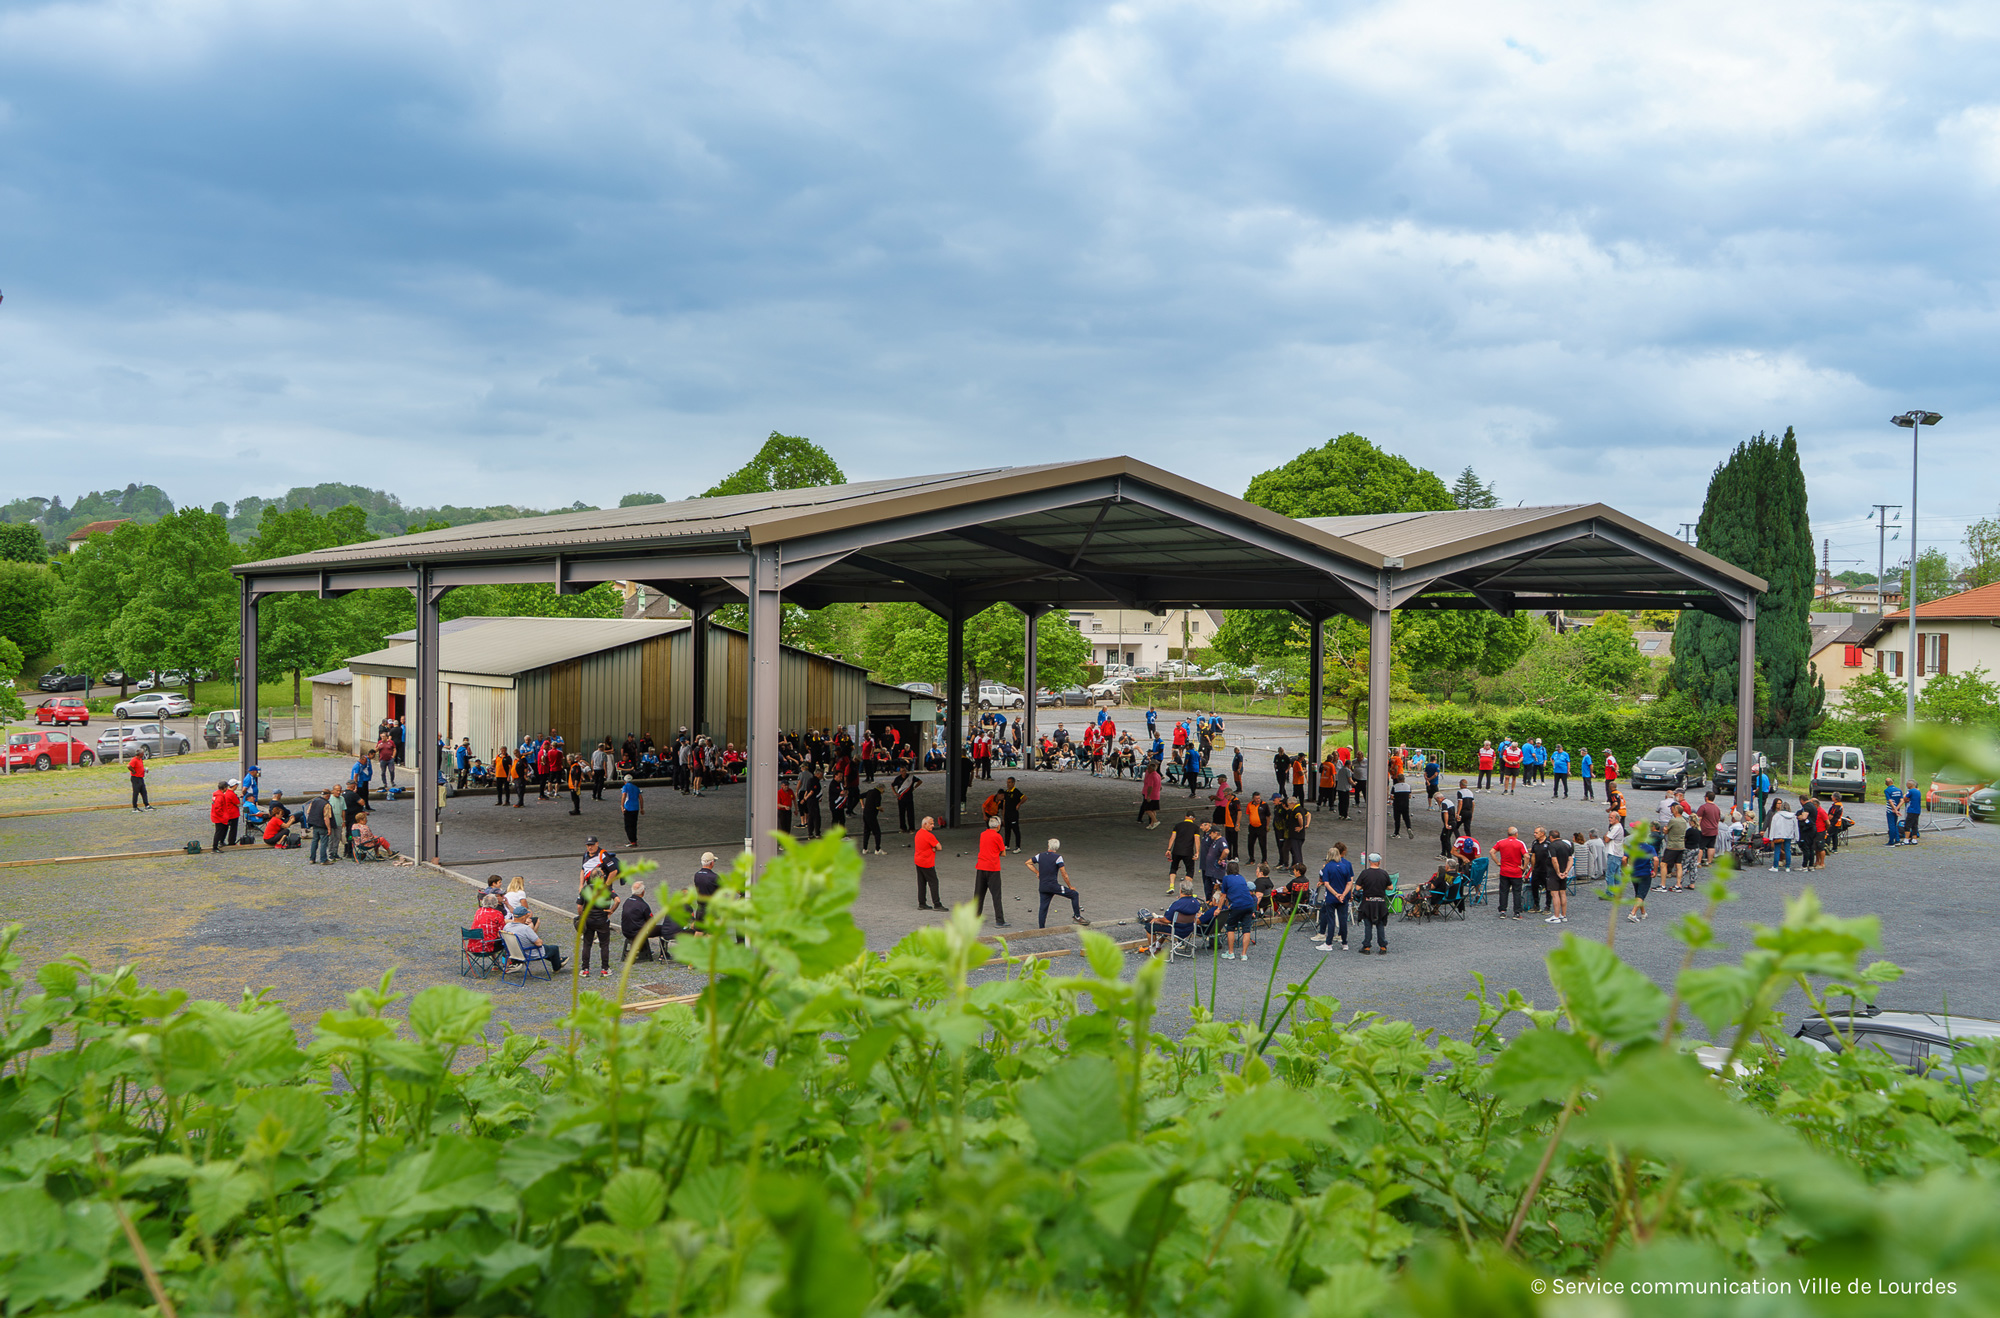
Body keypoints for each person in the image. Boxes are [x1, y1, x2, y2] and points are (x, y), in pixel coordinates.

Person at [1028, 839, 1089, 928]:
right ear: (1057, 847)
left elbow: (1028, 863)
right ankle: (1077, 916)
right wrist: (1070, 886)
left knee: (1043, 908)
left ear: (1048, 846)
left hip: (1043, 886)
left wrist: (1038, 872)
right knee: (1074, 894)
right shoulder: (1058, 857)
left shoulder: (1040, 856)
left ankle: (1041, 929)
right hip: (1053, 886)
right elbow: (1064, 874)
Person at [1213, 861, 1259, 961]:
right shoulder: (1241, 878)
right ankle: (1244, 954)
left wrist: (1219, 908)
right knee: (1246, 929)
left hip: (1237, 905)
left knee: (1231, 928)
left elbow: (1223, 895)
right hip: (1249, 904)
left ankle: (1231, 952)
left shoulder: (1226, 878)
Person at [1148, 880, 1207, 955]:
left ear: (1180, 890)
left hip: (1176, 930)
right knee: (1165, 924)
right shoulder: (1196, 902)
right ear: (1191, 890)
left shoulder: (1177, 904)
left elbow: (1167, 920)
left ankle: (1152, 949)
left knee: (1150, 926)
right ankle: (1158, 946)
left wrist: (1157, 919)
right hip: (1189, 929)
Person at [1314, 843, 1353, 951]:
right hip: (1343, 897)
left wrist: (1336, 894)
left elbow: (1326, 883)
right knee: (1343, 920)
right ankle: (1345, 943)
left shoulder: (1328, 867)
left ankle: (1329, 944)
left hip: (1331, 897)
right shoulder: (1345, 866)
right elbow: (1349, 883)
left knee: (1331, 920)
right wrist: (1343, 894)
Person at [503, 906, 563, 973]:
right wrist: (532, 927)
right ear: (523, 917)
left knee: (546, 949)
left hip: (514, 953)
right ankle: (557, 968)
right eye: (527, 915)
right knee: (554, 948)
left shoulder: (507, 927)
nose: (528, 917)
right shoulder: (525, 929)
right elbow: (539, 943)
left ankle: (560, 960)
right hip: (529, 953)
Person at [1354, 853, 1393, 954]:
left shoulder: (1365, 873)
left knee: (1368, 925)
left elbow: (1357, 887)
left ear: (1369, 861)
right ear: (1379, 862)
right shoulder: (1384, 873)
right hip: (1380, 902)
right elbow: (1390, 887)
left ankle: (1366, 947)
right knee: (1380, 924)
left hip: (1368, 902)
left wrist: (1365, 886)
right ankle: (1383, 946)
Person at [973, 816, 1009, 926]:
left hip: (981, 867)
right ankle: (999, 920)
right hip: (993, 868)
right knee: (996, 895)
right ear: (998, 826)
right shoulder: (997, 837)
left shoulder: (982, 834)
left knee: (978, 895)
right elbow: (1003, 853)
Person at [1493, 826, 1528, 920]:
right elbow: (1527, 856)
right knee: (1516, 892)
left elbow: (1492, 852)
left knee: (1503, 891)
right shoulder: (1520, 843)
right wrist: (1524, 867)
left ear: (1507, 834)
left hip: (1504, 871)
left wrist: (1497, 862)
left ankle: (1503, 911)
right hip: (1516, 872)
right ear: (1516, 834)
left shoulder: (1501, 842)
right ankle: (1516, 912)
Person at [1544, 828, 1575, 924]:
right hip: (1564, 871)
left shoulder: (1552, 846)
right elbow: (1570, 859)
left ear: (1551, 837)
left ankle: (1556, 916)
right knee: (1563, 893)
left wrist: (1558, 872)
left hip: (1554, 873)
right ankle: (1563, 915)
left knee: (1555, 894)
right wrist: (1566, 871)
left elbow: (1554, 860)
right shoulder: (1567, 845)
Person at [1624, 835, 1656, 922]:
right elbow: (1656, 859)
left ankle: (1643, 912)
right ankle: (1633, 913)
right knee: (1641, 894)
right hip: (1645, 873)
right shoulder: (1650, 848)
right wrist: (1655, 871)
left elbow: (1624, 859)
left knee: (1638, 892)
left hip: (1634, 873)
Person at [1166, 810, 1199, 891]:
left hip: (1176, 850)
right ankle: (1186, 890)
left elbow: (1172, 837)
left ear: (1185, 817)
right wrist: (1197, 852)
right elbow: (1197, 840)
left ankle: (1171, 886)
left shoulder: (1178, 825)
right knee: (1189, 870)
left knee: (1173, 868)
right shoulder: (1195, 827)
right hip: (1188, 852)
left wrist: (1168, 849)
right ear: (1193, 819)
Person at [914, 816, 942, 909]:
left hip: (918, 861)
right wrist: (933, 848)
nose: (933, 826)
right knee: (934, 882)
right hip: (927, 863)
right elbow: (939, 847)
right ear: (925, 824)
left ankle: (922, 903)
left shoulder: (918, 833)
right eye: (931, 824)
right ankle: (937, 904)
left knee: (921, 883)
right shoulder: (929, 835)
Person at [469, 893, 506, 960]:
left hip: (473, 947)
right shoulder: (498, 914)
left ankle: (495, 963)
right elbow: (500, 934)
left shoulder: (478, 912)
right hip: (488, 948)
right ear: (495, 903)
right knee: (506, 940)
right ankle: (506, 963)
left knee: (488, 936)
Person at [1198, 822, 1229, 901]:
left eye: (1211, 833)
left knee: (1216, 890)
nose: (1210, 835)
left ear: (1216, 833)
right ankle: (1208, 903)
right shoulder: (1215, 841)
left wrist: (1220, 859)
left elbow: (1226, 851)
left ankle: (1215, 904)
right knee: (1208, 889)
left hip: (1216, 872)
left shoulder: (1221, 841)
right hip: (1210, 871)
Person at [1766, 798, 1798, 872]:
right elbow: (1796, 827)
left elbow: (1773, 826)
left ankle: (1775, 867)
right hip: (1788, 835)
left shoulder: (1777, 815)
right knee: (1788, 850)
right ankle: (1787, 867)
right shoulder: (1793, 816)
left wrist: (1771, 837)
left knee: (1777, 851)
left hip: (1778, 835)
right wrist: (1797, 837)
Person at [997, 777, 1026, 853]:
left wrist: (1019, 804)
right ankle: (1007, 845)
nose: (1008, 784)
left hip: (1013, 814)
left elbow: (1024, 798)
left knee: (1016, 830)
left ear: (1013, 783)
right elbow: (1004, 803)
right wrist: (1003, 814)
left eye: (1009, 782)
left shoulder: (1016, 791)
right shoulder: (1006, 792)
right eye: (1007, 782)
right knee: (1007, 830)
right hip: (1007, 814)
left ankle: (1018, 847)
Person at [209, 779, 239, 852]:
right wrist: (223, 816)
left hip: (216, 816)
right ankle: (215, 847)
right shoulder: (220, 796)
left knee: (223, 830)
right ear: (224, 787)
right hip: (219, 817)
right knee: (219, 832)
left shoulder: (216, 794)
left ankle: (221, 842)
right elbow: (218, 808)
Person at [858, 782, 885, 854]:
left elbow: (860, 796)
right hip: (872, 815)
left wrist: (862, 805)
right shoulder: (878, 795)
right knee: (877, 832)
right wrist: (881, 809)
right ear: (881, 788)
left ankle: (865, 849)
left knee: (866, 831)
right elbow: (877, 806)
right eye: (883, 790)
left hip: (865, 814)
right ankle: (877, 849)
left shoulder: (870, 791)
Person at [894, 768, 921, 834]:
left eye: (904, 770)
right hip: (901, 798)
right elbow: (892, 785)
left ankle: (911, 828)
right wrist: (895, 793)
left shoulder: (911, 777)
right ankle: (903, 828)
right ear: (900, 772)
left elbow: (920, 781)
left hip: (909, 798)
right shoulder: (898, 778)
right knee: (901, 814)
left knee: (910, 814)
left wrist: (914, 787)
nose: (904, 772)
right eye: (902, 771)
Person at [619, 774, 643, 847]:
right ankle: (634, 840)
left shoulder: (625, 787)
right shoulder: (636, 788)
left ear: (624, 781)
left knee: (628, 826)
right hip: (636, 807)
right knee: (634, 825)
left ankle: (632, 841)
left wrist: (622, 806)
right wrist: (642, 808)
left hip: (628, 807)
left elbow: (624, 796)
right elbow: (641, 798)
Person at [1138, 761, 1163, 829]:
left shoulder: (1151, 775)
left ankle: (1155, 821)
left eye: (1148, 768)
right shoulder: (1158, 775)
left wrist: (1148, 795)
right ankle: (1152, 824)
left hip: (1151, 794)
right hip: (1156, 794)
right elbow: (1160, 786)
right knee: (1153, 809)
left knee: (1147, 809)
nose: (1147, 769)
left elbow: (1150, 786)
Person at [1390, 773, 1413, 839]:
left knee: (1397, 819)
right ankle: (1409, 827)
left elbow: (1392, 797)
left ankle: (1396, 833)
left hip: (1397, 805)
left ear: (1397, 779)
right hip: (1405, 804)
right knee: (1406, 818)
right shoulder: (1408, 786)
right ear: (1404, 779)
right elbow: (1409, 796)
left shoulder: (1395, 786)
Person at [1437, 790, 1459, 859]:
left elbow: (1446, 813)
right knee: (1444, 837)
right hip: (1453, 822)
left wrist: (1446, 824)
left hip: (1449, 823)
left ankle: (1448, 855)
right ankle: (1444, 853)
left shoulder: (1444, 803)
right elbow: (1454, 811)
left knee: (1445, 838)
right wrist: (1456, 816)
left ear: (1438, 798)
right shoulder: (1449, 801)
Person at [1884, 776, 1905, 846]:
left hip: (1890, 810)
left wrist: (1894, 809)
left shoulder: (1887, 790)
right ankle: (1897, 839)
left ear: (1886, 784)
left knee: (1891, 825)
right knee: (1895, 824)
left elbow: (1890, 801)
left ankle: (1891, 840)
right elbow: (1902, 800)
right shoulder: (1899, 790)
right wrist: (1897, 809)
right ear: (1892, 782)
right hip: (1897, 809)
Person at [1902, 779, 1922, 845]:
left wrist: (1905, 797)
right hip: (1917, 810)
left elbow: (1905, 798)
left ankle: (1906, 839)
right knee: (1914, 825)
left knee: (1907, 825)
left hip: (1911, 810)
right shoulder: (1918, 791)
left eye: (1907, 784)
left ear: (1910, 785)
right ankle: (1914, 839)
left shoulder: (1910, 791)